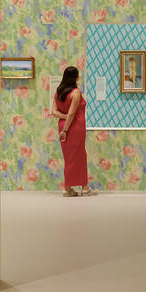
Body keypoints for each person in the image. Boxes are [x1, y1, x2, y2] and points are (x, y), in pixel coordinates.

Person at [50, 66, 93, 196]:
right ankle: (82, 188)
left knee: (69, 157)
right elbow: (72, 113)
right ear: (76, 77)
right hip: (74, 127)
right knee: (79, 156)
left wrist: (63, 121)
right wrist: (65, 130)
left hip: (63, 125)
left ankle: (71, 187)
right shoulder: (76, 93)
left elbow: (54, 111)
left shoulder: (58, 92)